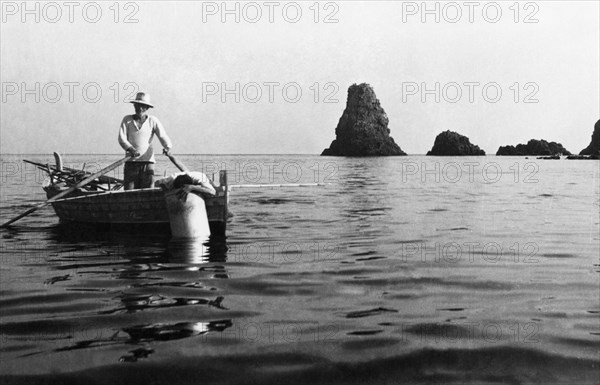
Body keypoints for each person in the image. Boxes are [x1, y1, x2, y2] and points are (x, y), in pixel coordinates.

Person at [118, 92, 172, 190]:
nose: (140, 109)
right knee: (129, 192)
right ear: (134, 105)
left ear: (147, 108)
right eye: (138, 106)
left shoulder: (153, 120)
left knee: (148, 191)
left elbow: (162, 136)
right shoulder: (127, 119)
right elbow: (121, 138)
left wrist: (167, 147)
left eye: (143, 106)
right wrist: (131, 149)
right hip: (131, 162)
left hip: (148, 162)